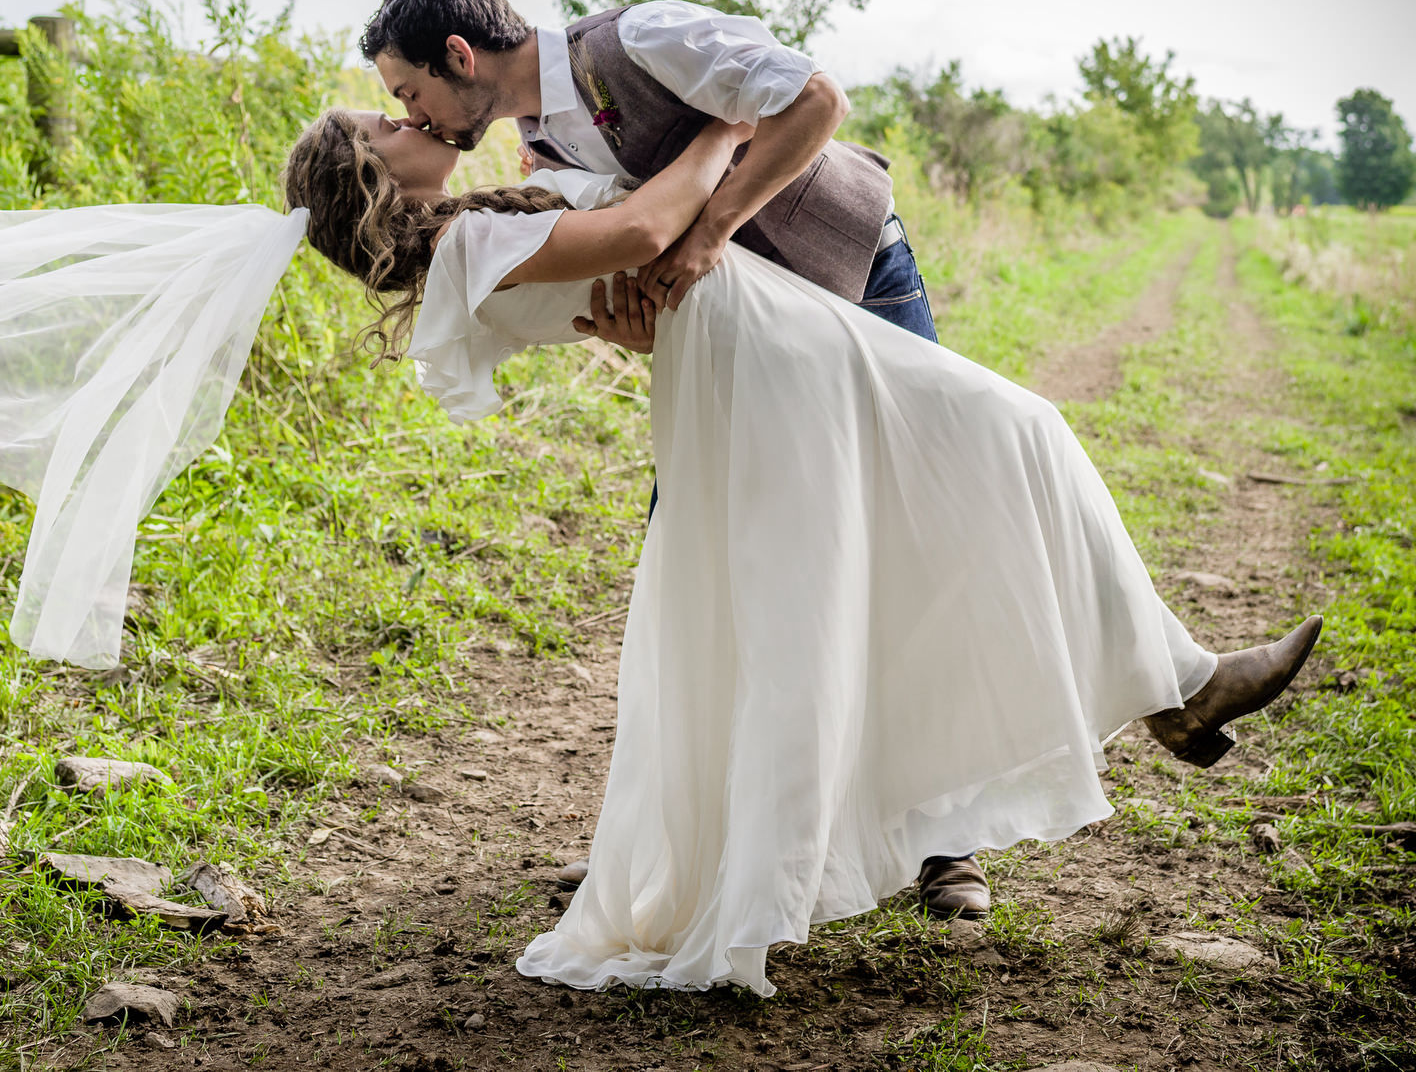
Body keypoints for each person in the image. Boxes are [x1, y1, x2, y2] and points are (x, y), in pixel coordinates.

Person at [280, 105, 1322, 996]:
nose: (400, 118)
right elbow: (650, 222)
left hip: (766, 340)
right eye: (380, 125)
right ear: (373, 178)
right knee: (991, 461)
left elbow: (618, 297)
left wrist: (640, 294)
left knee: (981, 472)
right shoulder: (470, 251)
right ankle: (1171, 691)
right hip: (768, 359)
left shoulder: (479, 229)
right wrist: (727, 124)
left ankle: (1172, 686)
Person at [356, 0, 994, 913]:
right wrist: (639, 325)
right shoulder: (536, 155)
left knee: (919, 538)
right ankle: (664, 846)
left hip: (856, 281)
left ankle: (952, 841)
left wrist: (714, 230)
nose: (416, 117)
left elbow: (817, 102)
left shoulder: (642, 39)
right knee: (698, 573)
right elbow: (630, 263)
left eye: (411, 92)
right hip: (748, 348)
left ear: (459, 54)